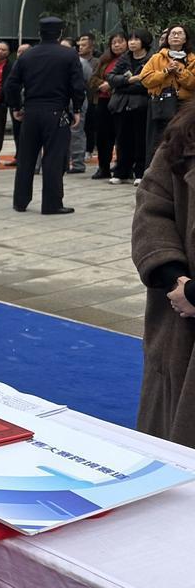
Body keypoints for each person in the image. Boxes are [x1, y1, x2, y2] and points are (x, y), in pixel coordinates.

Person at [132, 99, 195, 449]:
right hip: (180, 320)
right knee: (171, 454)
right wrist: (175, 279)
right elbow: (152, 210)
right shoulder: (184, 137)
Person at [4, 16, 85, 214]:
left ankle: (20, 201)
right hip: (56, 111)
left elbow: (11, 85)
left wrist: (16, 106)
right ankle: (52, 203)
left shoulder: (27, 56)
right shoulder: (68, 55)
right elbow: (77, 85)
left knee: (26, 158)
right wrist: (76, 110)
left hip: (31, 111)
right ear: (60, 33)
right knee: (54, 159)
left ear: (39, 33)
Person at [141, 24, 195, 166]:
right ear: (167, 39)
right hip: (160, 104)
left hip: (183, 105)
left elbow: (192, 83)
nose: (175, 36)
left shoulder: (192, 59)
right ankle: (152, 172)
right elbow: (145, 79)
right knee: (155, 139)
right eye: (172, 34)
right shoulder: (156, 58)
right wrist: (165, 72)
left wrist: (179, 70)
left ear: (185, 39)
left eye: (179, 34)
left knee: (181, 138)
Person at [108, 29, 154, 184]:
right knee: (122, 138)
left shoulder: (151, 59)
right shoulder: (124, 58)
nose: (132, 42)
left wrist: (123, 85)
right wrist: (128, 81)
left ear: (144, 41)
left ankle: (140, 172)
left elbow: (147, 83)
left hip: (141, 105)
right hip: (121, 105)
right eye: (130, 39)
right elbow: (111, 78)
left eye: (136, 39)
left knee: (140, 139)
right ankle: (121, 171)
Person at [88, 32, 127, 179]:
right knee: (103, 137)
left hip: (121, 101)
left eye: (120, 42)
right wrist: (102, 85)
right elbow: (92, 79)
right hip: (103, 101)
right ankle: (103, 167)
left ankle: (123, 167)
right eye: (113, 43)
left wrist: (112, 84)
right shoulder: (104, 60)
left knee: (122, 136)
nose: (116, 45)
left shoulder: (130, 59)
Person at [74, 33, 99, 171]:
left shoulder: (96, 61)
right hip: (79, 100)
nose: (80, 48)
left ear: (91, 47)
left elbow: (93, 81)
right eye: (79, 45)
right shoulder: (74, 60)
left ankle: (87, 150)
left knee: (88, 127)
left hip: (90, 98)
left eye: (84, 45)